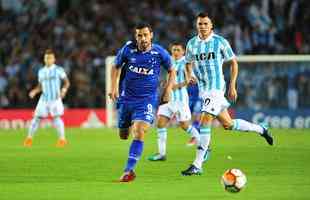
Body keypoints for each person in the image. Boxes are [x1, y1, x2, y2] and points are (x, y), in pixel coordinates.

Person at [181, 12, 274, 176]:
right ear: (197, 25)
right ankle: (261, 129)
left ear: (211, 26)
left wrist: (232, 85)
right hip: (204, 90)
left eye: (205, 24)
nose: (202, 26)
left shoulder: (220, 42)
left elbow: (233, 62)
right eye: (200, 24)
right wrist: (190, 77)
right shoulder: (192, 44)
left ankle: (198, 163)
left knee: (205, 120)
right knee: (228, 124)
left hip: (216, 88)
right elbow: (188, 64)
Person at [109, 23, 176, 182]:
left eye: (146, 35)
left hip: (146, 100)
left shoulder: (159, 52)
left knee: (139, 132)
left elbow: (172, 69)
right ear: (136, 36)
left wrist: (168, 89)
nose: (143, 38)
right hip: (126, 99)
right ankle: (130, 124)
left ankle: (128, 171)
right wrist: (113, 87)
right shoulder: (128, 49)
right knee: (123, 135)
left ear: (151, 35)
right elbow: (115, 66)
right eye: (140, 35)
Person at [148, 43, 200, 162]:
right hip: (168, 99)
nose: (175, 52)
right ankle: (161, 154)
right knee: (160, 123)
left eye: (178, 50)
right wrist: (165, 84)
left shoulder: (185, 63)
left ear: (183, 52)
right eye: (173, 50)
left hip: (180, 100)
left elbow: (192, 79)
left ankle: (204, 145)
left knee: (185, 126)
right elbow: (169, 78)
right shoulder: (170, 62)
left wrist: (176, 86)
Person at [23, 49, 70, 147]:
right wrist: (35, 91)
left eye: (50, 58)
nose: (48, 60)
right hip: (44, 99)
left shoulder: (58, 70)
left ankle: (62, 140)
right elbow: (40, 86)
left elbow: (67, 82)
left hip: (55, 98)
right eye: (46, 58)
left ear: (54, 59)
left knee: (57, 118)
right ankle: (29, 139)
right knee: (36, 119)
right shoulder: (41, 71)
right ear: (44, 59)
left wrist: (63, 91)